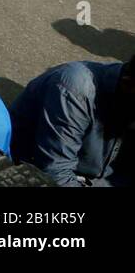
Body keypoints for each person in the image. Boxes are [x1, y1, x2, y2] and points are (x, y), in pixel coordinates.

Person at [10, 55, 134, 187]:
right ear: (128, 85)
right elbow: (55, 173)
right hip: (36, 173)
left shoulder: (129, 96)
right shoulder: (75, 89)